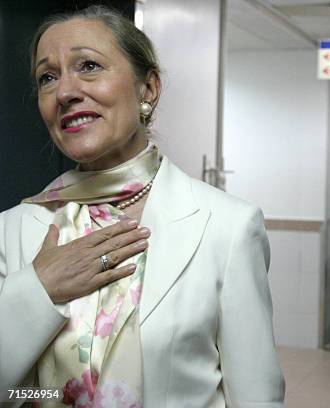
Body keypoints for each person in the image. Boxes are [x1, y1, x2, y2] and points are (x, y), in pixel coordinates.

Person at [0, 6, 285, 407]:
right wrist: (39, 290)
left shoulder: (227, 226)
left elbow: (255, 397)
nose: (65, 92)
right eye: (48, 77)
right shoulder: (12, 229)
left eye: (89, 66)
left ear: (147, 88)